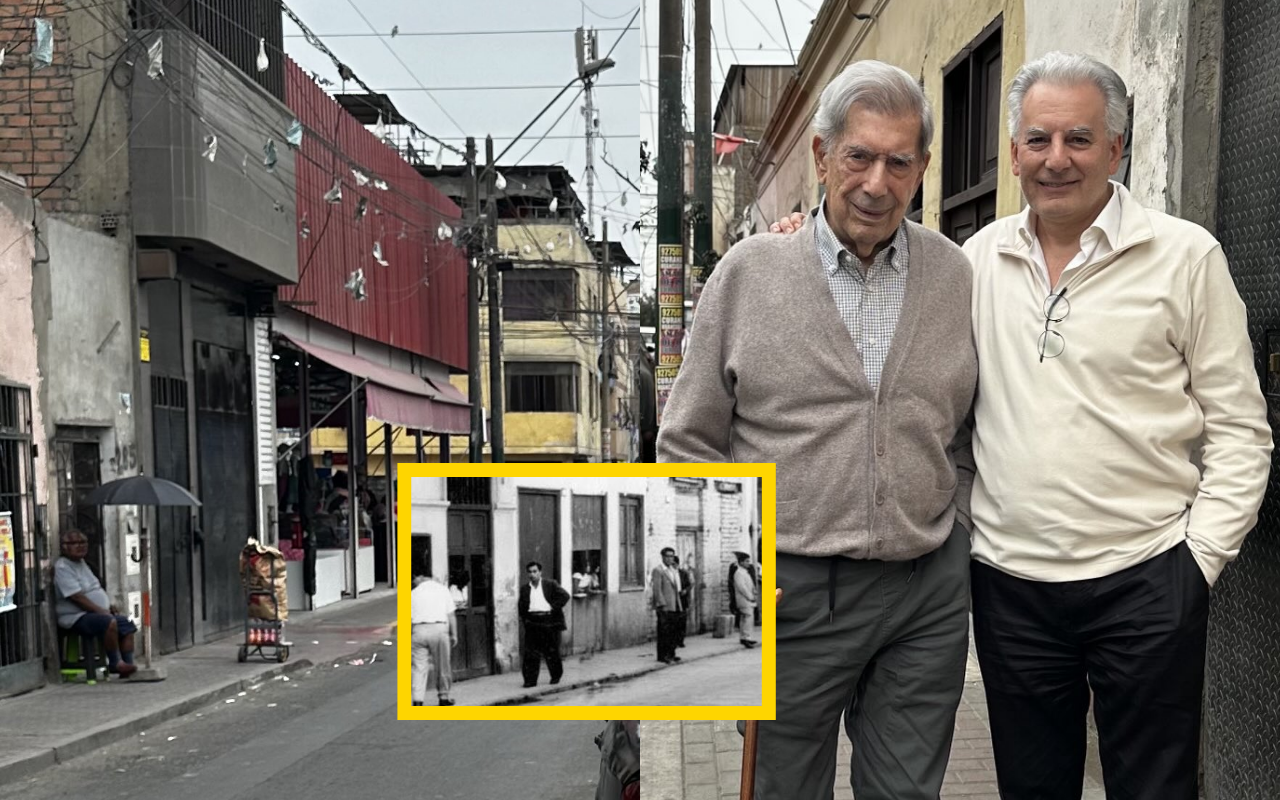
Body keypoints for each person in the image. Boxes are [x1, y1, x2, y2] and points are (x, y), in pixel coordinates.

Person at [769, 51, 1272, 800]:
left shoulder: (1185, 257)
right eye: (1038, 139)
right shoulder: (971, 264)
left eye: (1079, 139)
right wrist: (798, 242)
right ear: (1012, 154)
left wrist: (1198, 562)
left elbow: (1241, 430)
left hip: (1148, 580)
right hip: (1011, 589)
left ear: (1116, 148)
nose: (1056, 159)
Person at [662, 58, 978, 799]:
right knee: (784, 788)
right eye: (858, 156)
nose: (877, 183)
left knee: (906, 793)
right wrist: (736, 577)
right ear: (821, 156)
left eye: (899, 162)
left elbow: (967, 428)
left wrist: (956, 528)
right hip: (789, 593)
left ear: (923, 168)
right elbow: (687, 443)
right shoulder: (749, 274)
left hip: (924, 593)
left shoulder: (956, 274)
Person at [54, 530, 137, 678]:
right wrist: (100, 610)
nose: (81, 546)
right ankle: (115, 662)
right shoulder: (63, 567)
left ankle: (128, 664)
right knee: (109, 622)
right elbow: (76, 597)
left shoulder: (82, 563)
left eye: (83, 543)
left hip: (94, 613)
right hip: (76, 616)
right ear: (64, 546)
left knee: (126, 624)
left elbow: (94, 588)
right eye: (75, 543)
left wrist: (108, 605)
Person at [518, 561, 569, 688]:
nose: (532, 574)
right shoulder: (525, 589)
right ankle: (530, 680)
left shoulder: (550, 584)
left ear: (540, 572)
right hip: (532, 622)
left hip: (548, 621)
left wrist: (552, 607)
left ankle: (555, 676)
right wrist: (526, 620)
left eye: (535, 571)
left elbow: (565, 596)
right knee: (530, 653)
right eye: (530, 572)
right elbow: (521, 606)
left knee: (551, 650)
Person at [409, 575, 457, 706]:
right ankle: (443, 697)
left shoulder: (413, 593)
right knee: (442, 666)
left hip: (418, 630)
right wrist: (454, 634)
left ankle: (417, 700)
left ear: (420, 579)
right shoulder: (443, 590)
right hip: (439, 629)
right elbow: (451, 615)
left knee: (418, 667)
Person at [649, 547, 684, 665]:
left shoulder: (672, 570)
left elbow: (677, 588)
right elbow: (657, 589)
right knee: (664, 631)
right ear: (663, 557)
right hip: (665, 606)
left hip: (674, 604)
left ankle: (671, 653)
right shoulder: (658, 570)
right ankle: (663, 655)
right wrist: (662, 604)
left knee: (673, 630)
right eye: (667, 556)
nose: (670, 559)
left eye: (672, 556)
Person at [731, 552, 758, 648]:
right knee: (748, 618)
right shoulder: (739, 573)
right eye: (746, 561)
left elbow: (749, 585)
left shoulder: (744, 572)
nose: (748, 563)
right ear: (741, 562)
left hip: (746, 599)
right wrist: (750, 597)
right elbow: (742, 587)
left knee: (745, 618)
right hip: (744, 599)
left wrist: (754, 592)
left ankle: (744, 637)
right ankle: (746, 638)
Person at [673, 555, 692, 648]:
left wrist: (686, 590)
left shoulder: (683, 573)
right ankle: (673, 640)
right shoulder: (668, 574)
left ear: (677, 564)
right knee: (674, 621)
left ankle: (680, 640)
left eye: (674, 564)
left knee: (682, 621)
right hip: (673, 600)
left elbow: (689, 585)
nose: (673, 566)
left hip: (682, 599)